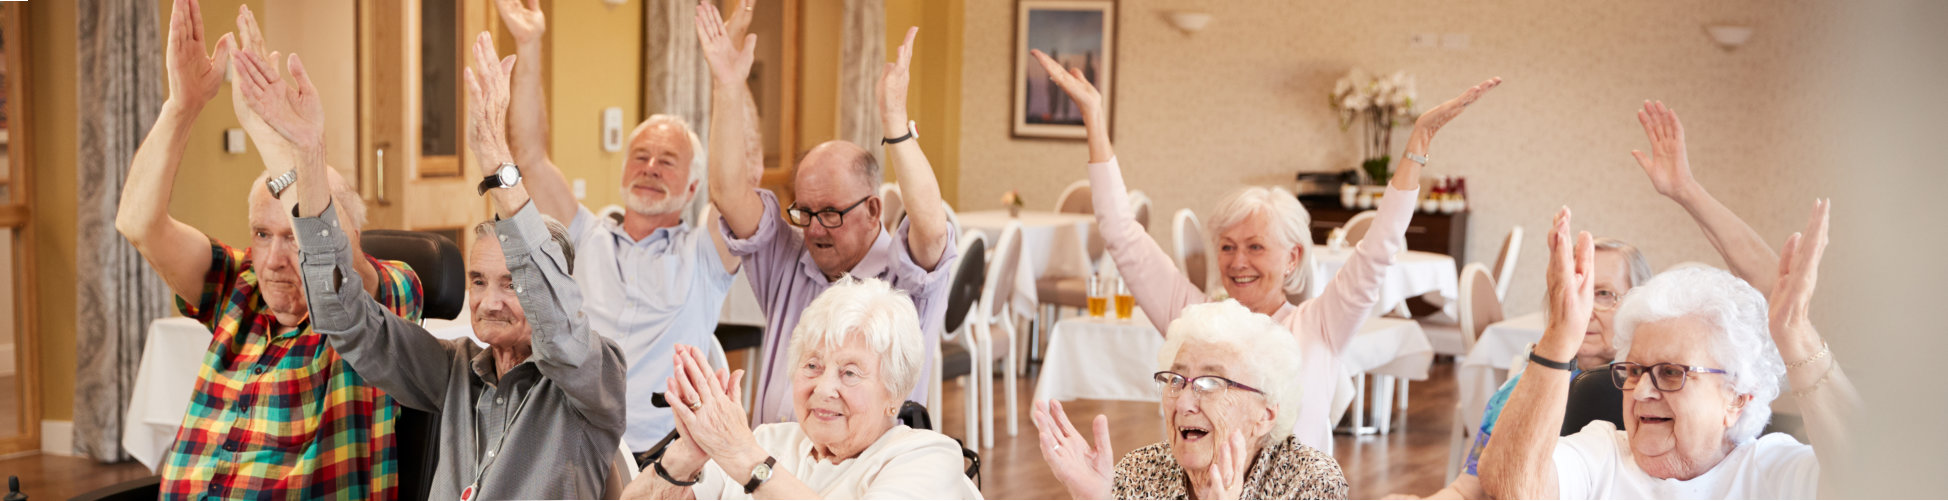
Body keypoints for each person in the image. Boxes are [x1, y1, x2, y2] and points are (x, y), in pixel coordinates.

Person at [1027, 48, 1500, 452]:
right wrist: (1093, 116)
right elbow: (1122, 234)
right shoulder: (1192, 317)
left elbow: (1378, 249)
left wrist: (1417, 143)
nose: (1238, 261)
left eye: (1256, 247)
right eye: (1228, 246)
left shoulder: (1320, 325)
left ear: (1293, 257)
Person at [238, 32, 631, 499]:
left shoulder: (595, 375)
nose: (490, 302)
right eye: (479, 281)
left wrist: (497, 164)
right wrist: (306, 156)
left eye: (513, 283)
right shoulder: (457, 369)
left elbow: (561, 335)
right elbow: (346, 319)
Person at [1394, 102, 1791, 500]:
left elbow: (1780, 300)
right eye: (1577, 291)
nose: (1584, 309)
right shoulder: (1542, 407)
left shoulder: (1757, 462)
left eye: (1603, 294)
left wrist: (1686, 191)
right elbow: (1476, 488)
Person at [115, 1, 421, 497]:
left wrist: (277, 136)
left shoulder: (383, 301)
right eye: (262, 234)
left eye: (294, 237)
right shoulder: (240, 286)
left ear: (352, 236)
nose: (277, 259)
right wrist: (183, 105)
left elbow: (331, 255)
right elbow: (138, 223)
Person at [491, 0, 757, 460]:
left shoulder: (704, 254)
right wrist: (529, 45)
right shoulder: (583, 234)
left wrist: (728, 81)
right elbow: (529, 157)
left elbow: (741, 179)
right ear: (623, 171)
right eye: (641, 156)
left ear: (693, 185)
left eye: (667, 161)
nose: (650, 168)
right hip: (572, 440)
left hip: (662, 454)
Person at [1479, 204, 1859, 499]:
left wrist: (1798, 337)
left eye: (1671, 373)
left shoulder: (1770, 471)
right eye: (1634, 371)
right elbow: (1511, 486)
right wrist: (1559, 339)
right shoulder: (1604, 454)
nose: (1642, 391)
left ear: (1736, 400)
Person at [699, 1, 959, 424]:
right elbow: (729, 194)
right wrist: (727, 86)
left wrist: (895, 123)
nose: (815, 228)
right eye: (805, 211)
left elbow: (931, 231)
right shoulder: (787, 259)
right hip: (774, 473)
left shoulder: (906, 281)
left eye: (831, 214)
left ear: (873, 209)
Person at [622, 278, 983, 499]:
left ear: (894, 394)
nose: (824, 388)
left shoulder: (927, 456)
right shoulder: (768, 440)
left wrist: (747, 459)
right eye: (812, 366)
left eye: (850, 373)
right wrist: (689, 453)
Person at [1031, 301, 1347, 499]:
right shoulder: (1142, 470)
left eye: (1211, 383)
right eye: (1177, 380)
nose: (1183, 403)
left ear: (1264, 414)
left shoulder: (1309, 481)